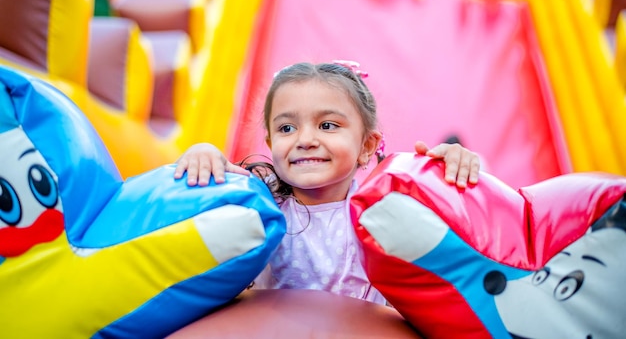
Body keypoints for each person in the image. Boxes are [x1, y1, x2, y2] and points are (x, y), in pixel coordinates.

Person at [174, 61, 481, 305]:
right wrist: (204, 156)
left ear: (367, 146)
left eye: (327, 125)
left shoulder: (384, 215)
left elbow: (454, 245)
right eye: (287, 128)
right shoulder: (262, 206)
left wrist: (450, 172)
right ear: (269, 141)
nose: (305, 140)